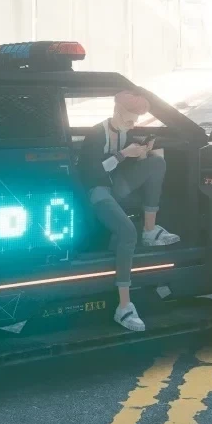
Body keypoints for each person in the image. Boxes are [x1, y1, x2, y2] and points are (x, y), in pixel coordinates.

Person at [76, 90, 181, 332]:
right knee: (127, 232)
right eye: (129, 119)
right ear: (117, 111)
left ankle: (150, 229)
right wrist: (123, 154)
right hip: (96, 190)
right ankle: (124, 307)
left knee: (157, 162)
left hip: (116, 186)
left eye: (135, 121)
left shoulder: (126, 133)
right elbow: (92, 173)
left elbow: (125, 167)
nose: (132, 125)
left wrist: (142, 154)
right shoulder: (96, 134)